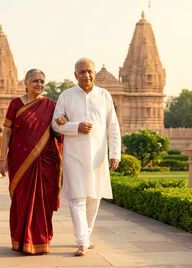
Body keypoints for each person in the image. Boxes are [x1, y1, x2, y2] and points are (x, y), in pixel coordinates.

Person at [52, 58, 121, 257]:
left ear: (94, 73)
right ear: (75, 75)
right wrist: (75, 127)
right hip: (74, 155)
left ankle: (86, 235)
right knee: (77, 197)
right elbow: (56, 124)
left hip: (98, 154)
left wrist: (115, 154)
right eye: (82, 71)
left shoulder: (104, 95)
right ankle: (82, 240)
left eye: (89, 71)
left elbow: (113, 126)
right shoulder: (66, 96)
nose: (86, 75)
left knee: (94, 197)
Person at [0, 69, 62, 255]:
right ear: (25, 83)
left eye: (42, 81)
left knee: (43, 201)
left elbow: (58, 130)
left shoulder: (51, 105)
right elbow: (7, 132)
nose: (39, 84)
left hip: (46, 160)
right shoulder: (15, 104)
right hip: (19, 160)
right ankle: (21, 240)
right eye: (35, 81)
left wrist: (63, 121)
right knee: (22, 199)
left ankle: (40, 241)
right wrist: (2, 158)